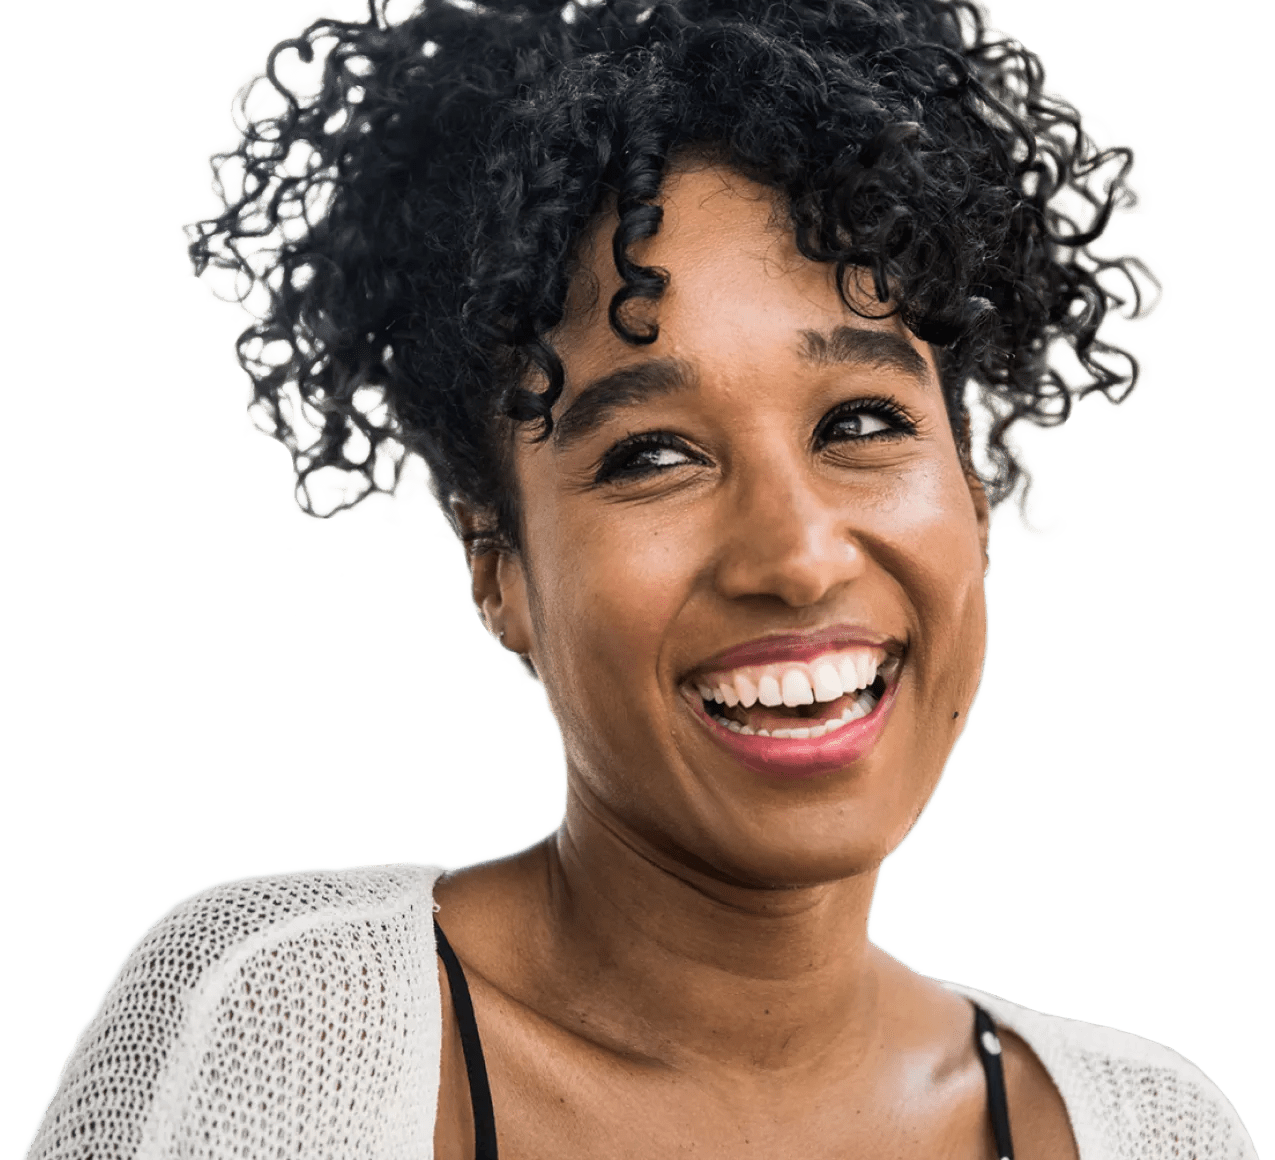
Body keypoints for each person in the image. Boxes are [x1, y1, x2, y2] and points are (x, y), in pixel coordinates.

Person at [21, 0, 1257, 1157]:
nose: (796, 553)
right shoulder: (293, 1032)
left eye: (863, 422)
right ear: (496, 566)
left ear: (976, 495)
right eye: (652, 452)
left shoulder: (1146, 1128)